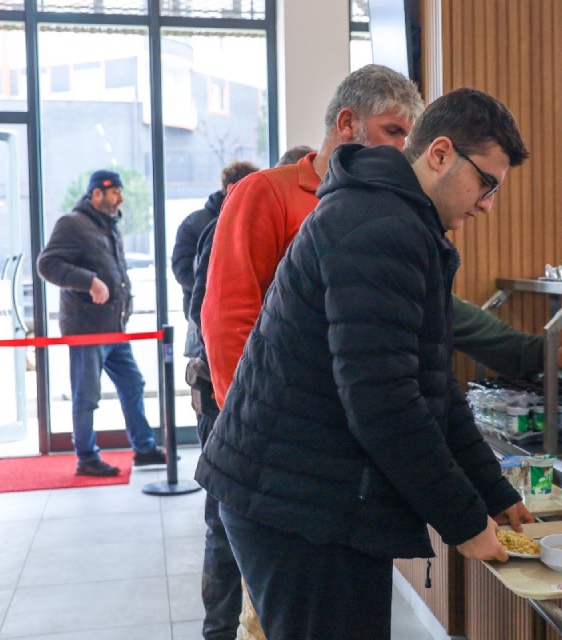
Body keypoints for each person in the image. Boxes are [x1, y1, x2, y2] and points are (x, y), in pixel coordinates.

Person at [198, 86, 534, 639]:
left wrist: (494, 494)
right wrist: (463, 520)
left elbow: (434, 389)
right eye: (486, 183)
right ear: (441, 154)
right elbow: (382, 401)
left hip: (308, 493)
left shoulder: (400, 221)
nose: (487, 204)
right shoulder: (382, 226)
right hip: (296, 504)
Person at [195, 64, 425, 640]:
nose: (404, 148)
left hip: (332, 468)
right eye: (394, 131)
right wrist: (253, 435)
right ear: (347, 123)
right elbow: (229, 321)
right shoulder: (266, 193)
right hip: (268, 456)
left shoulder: (379, 208)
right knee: (261, 616)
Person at [37, 169, 168, 476]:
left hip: (113, 328)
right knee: (87, 395)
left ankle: (145, 448)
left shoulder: (107, 227)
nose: (120, 198)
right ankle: (86, 457)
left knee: (132, 383)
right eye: (115, 192)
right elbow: (48, 264)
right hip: (87, 329)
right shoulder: (73, 224)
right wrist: (89, 282)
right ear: (97, 194)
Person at [171, 160, 259, 360]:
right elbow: (181, 269)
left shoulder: (253, 218)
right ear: (231, 188)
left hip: (243, 321)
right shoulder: (196, 223)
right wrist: (214, 292)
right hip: (203, 318)